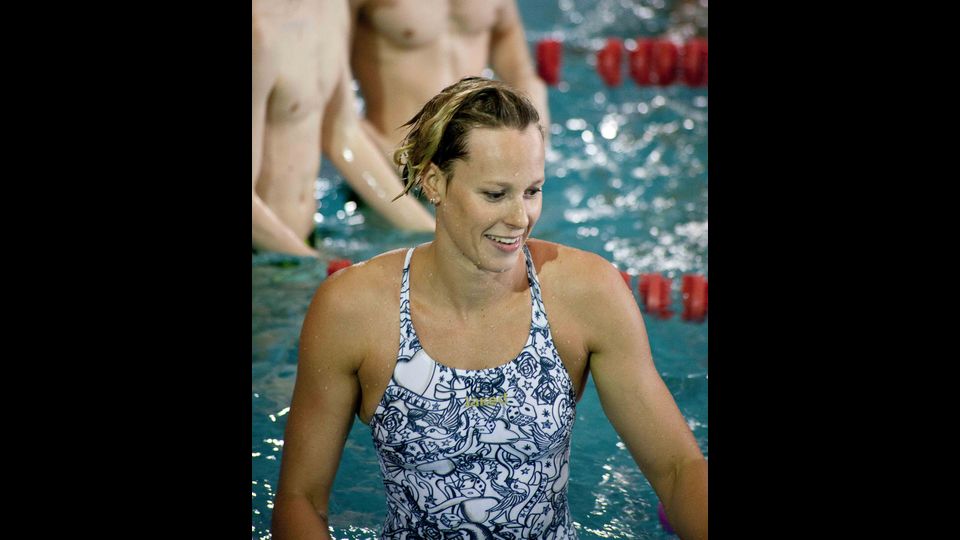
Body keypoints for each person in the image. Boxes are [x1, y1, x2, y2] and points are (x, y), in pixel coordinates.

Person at [272, 77, 707, 539]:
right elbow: (301, 499)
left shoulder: (587, 293)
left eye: (532, 190)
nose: (520, 218)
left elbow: (678, 469)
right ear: (434, 182)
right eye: (495, 195)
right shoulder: (353, 309)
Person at [253, 0, 435, 258]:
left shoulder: (330, 9)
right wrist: (314, 263)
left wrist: (431, 231)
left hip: (299, 245)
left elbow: (343, 136)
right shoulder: (259, 30)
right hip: (264, 255)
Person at [348, 0, 551, 157]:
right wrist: (384, 158)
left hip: (475, 157)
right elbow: (331, 97)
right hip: (397, 162)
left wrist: (533, 117)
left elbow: (511, 48)